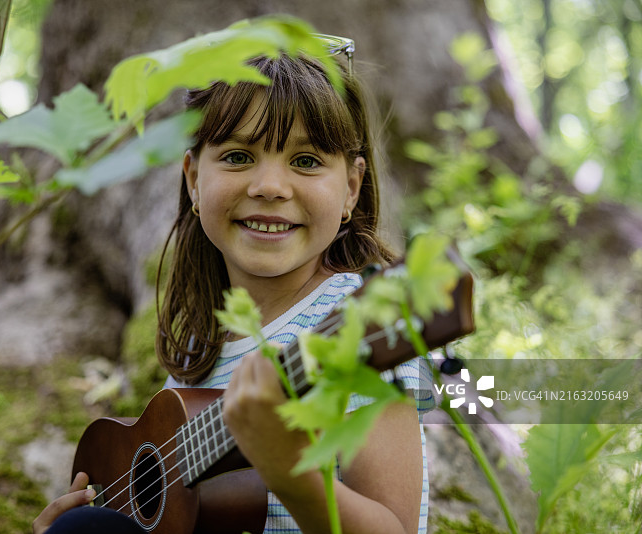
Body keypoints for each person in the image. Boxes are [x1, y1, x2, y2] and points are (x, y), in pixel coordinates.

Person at [34, 36, 433, 534]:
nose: (269, 186)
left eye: (306, 161)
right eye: (239, 156)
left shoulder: (362, 323)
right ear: (194, 180)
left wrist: (291, 473)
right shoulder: (201, 345)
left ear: (351, 187)